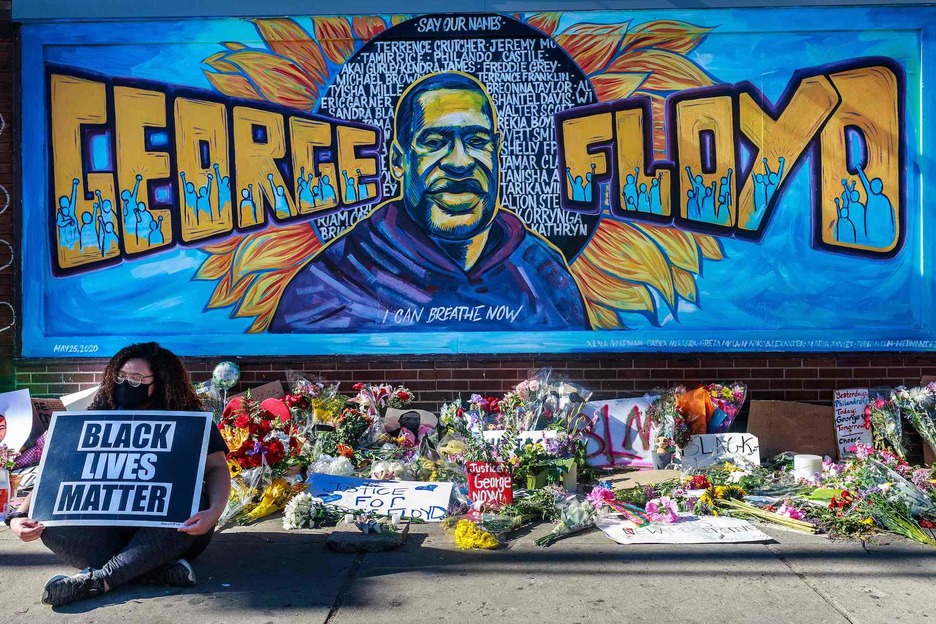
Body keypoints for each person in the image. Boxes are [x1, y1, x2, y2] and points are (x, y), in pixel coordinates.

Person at [270, 71, 588, 332]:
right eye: (434, 142)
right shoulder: (333, 280)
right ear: (398, 160)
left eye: (477, 141)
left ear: (497, 150)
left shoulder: (541, 270)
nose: (460, 162)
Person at [6, 342, 231, 608]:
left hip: (168, 535)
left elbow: (217, 467)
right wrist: (18, 517)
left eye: (137, 378)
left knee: (193, 504)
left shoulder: (190, 417)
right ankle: (149, 571)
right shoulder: (99, 414)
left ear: (161, 382)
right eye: (121, 376)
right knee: (49, 520)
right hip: (108, 531)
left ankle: (99, 580)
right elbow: (59, 475)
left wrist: (213, 512)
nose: (126, 383)